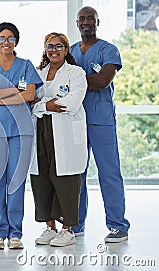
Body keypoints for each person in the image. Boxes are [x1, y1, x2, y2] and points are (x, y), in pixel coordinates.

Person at [0, 22, 43, 250]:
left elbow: (30, 94)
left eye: (10, 38)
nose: (6, 42)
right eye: (2, 38)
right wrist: (14, 91)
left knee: (16, 182)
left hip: (20, 132)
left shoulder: (25, 65)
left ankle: (15, 233)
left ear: (16, 41)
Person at [70, 6, 130, 242]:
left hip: (101, 120)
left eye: (90, 19)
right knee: (76, 174)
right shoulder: (71, 52)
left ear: (97, 22)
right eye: (82, 18)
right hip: (75, 120)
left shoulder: (109, 49)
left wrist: (73, 82)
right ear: (77, 23)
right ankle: (75, 225)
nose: (86, 22)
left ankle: (118, 226)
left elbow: (103, 80)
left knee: (109, 173)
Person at [29, 32, 88, 247]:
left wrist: (42, 103)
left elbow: (71, 102)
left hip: (64, 133)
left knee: (66, 180)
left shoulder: (76, 73)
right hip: (41, 131)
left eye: (58, 46)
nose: (53, 50)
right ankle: (49, 228)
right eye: (49, 46)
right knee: (41, 178)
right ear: (45, 49)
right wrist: (47, 104)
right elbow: (28, 101)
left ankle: (68, 229)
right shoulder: (37, 73)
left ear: (65, 49)